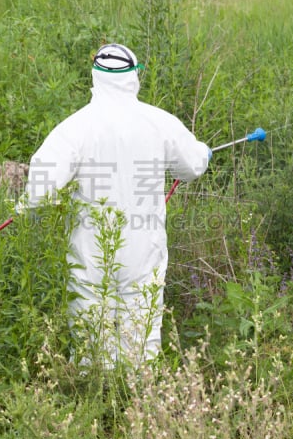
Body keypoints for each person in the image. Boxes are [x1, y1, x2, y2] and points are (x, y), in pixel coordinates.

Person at [20, 43, 210, 368]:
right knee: (142, 334)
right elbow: (192, 165)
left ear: (95, 75)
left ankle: (97, 404)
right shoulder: (158, 121)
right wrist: (204, 152)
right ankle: (137, 404)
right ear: (135, 77)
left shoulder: (74, 128)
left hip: (91, 252)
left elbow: (39, 189)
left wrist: (28, 207)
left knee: (90, 336)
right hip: (143, 250)